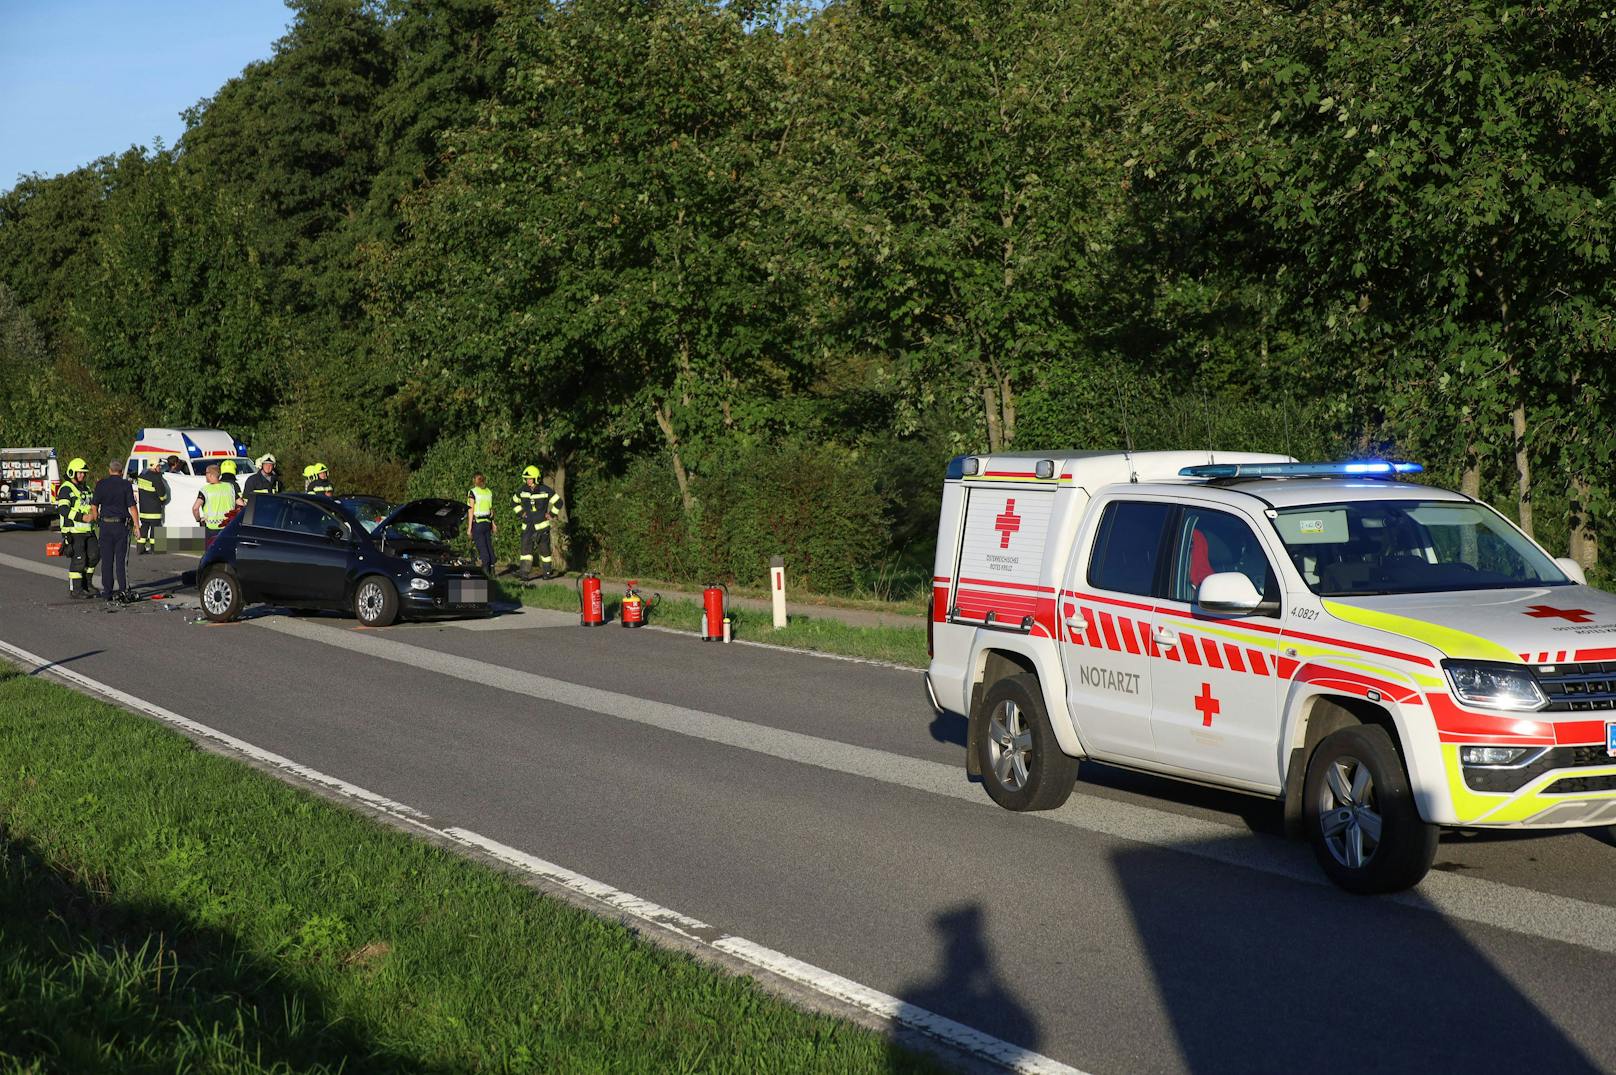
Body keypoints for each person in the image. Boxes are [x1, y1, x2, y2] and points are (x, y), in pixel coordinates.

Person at [91, 459, 141, 603]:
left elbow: (94, 506)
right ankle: (123, 590)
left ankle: (107, 591)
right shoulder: (126, 485)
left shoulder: (101, 484)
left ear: (109, 470)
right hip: (121, 526)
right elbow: (132, 507)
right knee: (121, 561)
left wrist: (96, 519)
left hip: (105, 526)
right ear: (121, 471)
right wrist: (137, 526)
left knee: (106, 560)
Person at [54, 457, 98, 598]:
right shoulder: (66, 488)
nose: (82, 475)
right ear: (72, 472)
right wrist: (82, 517)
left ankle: (87, 584)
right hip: (73, 531)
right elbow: (63, 509)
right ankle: (76, 590)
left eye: (84, 473)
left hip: (88, 530)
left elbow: (91, 505)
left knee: (94, 556)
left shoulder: (86, 488)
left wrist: (95, 514)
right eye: (79, 473)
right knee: (79, 560)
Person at [511, 465, 561, 580]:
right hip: (527, 526)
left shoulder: (545, 490)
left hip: (542, 527)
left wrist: (551, 514)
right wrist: (521, 513)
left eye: (530, 479)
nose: (528, 481)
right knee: (525, 551)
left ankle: (547, 573)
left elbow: (558, 502)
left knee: (544, 550)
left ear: (536, 478)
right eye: (526, 479)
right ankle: (524, 574)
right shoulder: (522, 490)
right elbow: (514, 502)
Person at [193, 463, 236, 547]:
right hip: (228, 527)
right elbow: (241, 504)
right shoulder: (230, 487)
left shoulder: (205, 490)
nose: (205, 475)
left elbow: (195, 508)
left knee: (210, 553)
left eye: (206, 473)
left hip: (211, 528)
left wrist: (198, 520)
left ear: (210, 474)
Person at [134, 457, 170, 554]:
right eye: (159, 466)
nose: (160, 468)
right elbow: (162, 494)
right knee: (155, 529)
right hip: (154, 510)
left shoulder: (142, 475)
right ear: (154, 466)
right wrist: (164, 499)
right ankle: (155, 549)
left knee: (144, 528)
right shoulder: (156, 477)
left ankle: (140, 548)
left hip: (143, 510)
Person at [466, 472, 496, 575]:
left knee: (482, 549)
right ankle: (493, 571)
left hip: (478, 524)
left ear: (474, 480)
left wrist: (469, 528)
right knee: (489, 546)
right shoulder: (489, 492)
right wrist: (493, 523)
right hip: (487, 523)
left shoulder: (473, 492)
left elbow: (471, 510)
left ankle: (485, 573)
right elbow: (491, 511)